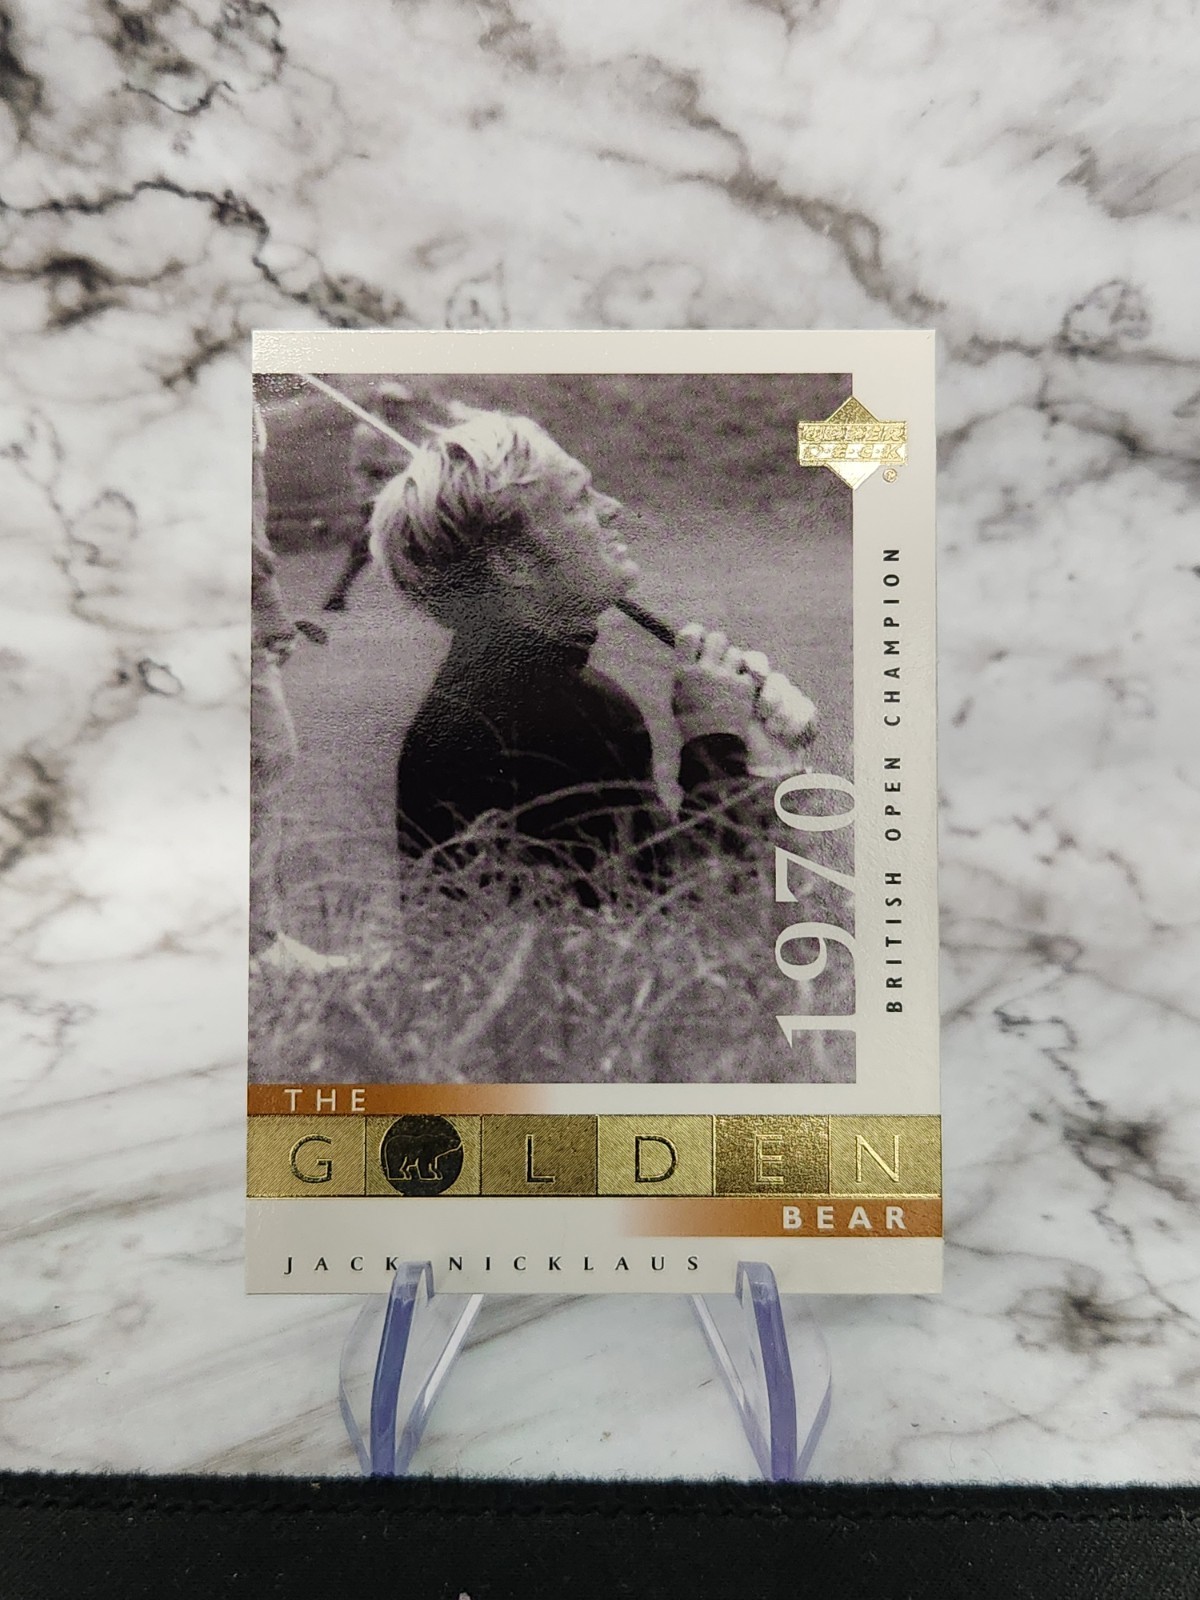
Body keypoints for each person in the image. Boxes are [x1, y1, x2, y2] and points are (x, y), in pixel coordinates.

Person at [368, 410, 817, 896]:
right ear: (513, 561)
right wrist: (715, 740)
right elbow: (673, 914)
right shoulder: (555, 718)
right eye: (579, 500)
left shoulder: (510, 695)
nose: (612, 507)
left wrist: (760, 758)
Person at [322, 382, 416, 612]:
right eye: (398, 404)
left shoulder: (385, 429)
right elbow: (372, 464)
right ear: (385, 403)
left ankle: (337, 595)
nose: (403, 409)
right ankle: (337, 595)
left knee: (372, 547)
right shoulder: (368, 431)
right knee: (367, 548)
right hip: (373, 497)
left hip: (387, 496)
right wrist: (411, 463)